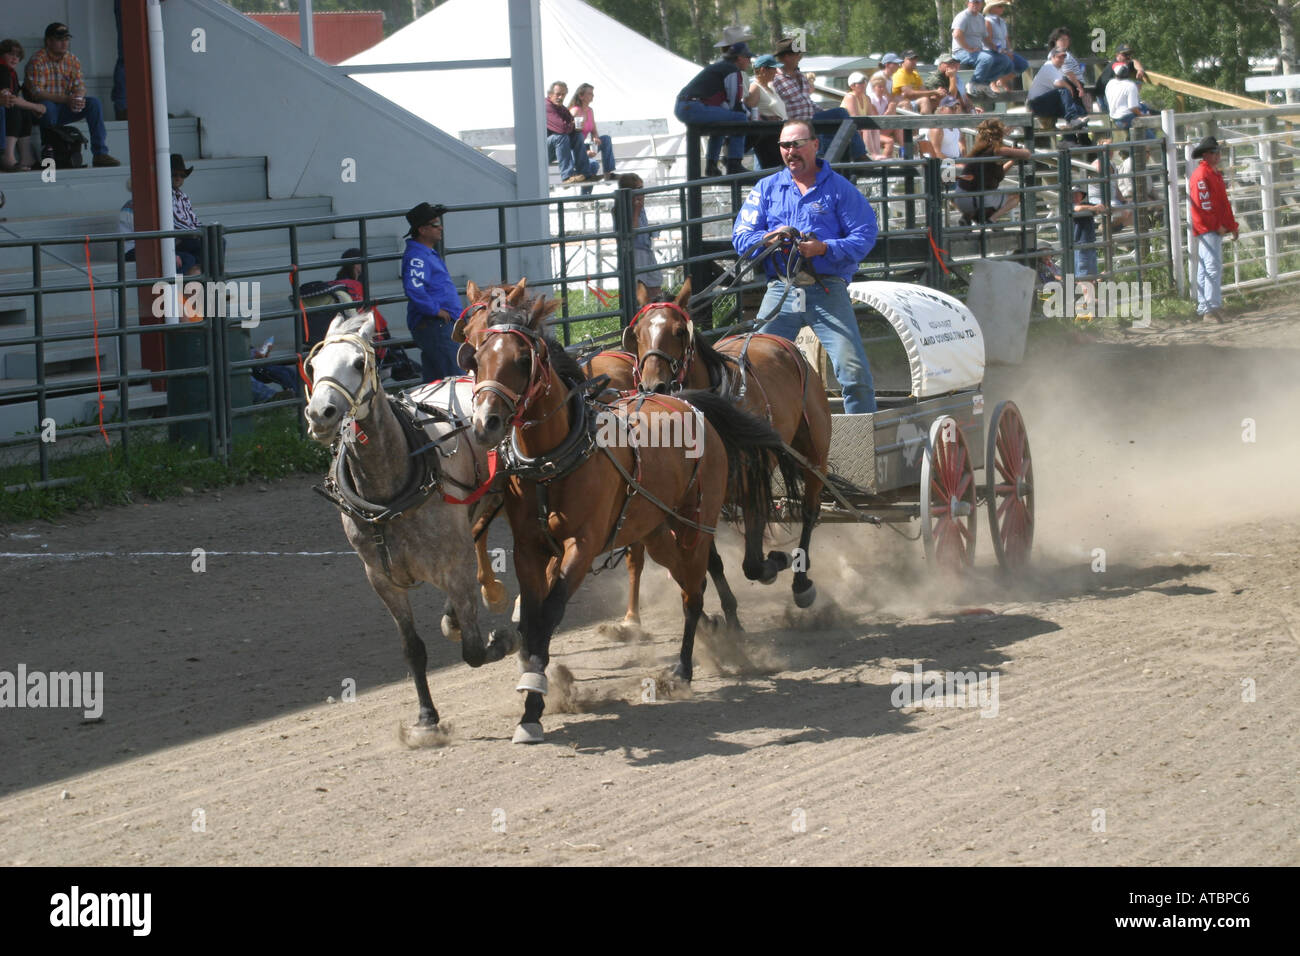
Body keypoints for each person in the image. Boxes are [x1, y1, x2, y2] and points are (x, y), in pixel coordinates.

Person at [732, 119, 879, 414]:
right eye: (785, 145)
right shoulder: (767, 189)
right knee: (748, 365)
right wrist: (768, 237)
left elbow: (865, 235)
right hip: (781, 289)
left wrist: (824, 248)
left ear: (815, 145)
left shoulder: (839, 189)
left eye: (797, 144)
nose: (791, 151)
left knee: (852, 370)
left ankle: (863, 442)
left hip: (827, 289)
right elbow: (740, 237)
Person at [24, 22, 121, 167]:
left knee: (93, 103)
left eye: (67, 39)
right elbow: (37, 93)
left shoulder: (72, 59)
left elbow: (80, 86)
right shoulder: (37, 60)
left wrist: (78, 98)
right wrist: (67, 99)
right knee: (47, 106)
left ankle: (100, 153)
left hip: (64, 107)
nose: (64, 43)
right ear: (48, 41)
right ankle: (50, 151)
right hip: (39, 110)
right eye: (59, 39)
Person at [771, 36, 868, 165]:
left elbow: (808, 103)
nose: (800, 57)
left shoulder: (800, 76)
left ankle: (858, 155)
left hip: (811, 119)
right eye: (797, 54)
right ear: (787, 56)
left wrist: (824, 113)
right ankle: (845, 158)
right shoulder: (776, 79)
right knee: (831, 127)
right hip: (793, 123)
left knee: (840, 113)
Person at [674, 25, 756, 177]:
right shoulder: (730, 70)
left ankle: (712, 166)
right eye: (747, 57)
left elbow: (725, 104)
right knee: (739, 118)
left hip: (687, 105)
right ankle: (734, 162)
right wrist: (749, 114)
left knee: (723, 121)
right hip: (692, 106)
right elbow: (734, 105)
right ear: (739, 57)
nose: (749, 61)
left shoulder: (721, 67)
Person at [401, 202, 464, 381]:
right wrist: (436, 311)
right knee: (457, 380)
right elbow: (414, 289)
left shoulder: (423, 254)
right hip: (435, 325)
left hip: (436, 325)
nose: (440, 227)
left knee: (435, 381)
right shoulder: (418, 256)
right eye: (435, 224)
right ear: (422, 230)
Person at [1187, 137, 1239, 323]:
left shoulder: (1210, 174)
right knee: (1211, 266)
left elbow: (1218, 204)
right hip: (1210, 227)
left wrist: (1230, 225)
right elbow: (1205, 205)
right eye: (1214, 152)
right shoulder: (1204, 175)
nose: (1218, 155)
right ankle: (1210, 308)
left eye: (1218, 152)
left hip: (1211, 226)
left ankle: (1206, 307)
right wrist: (1220, 225)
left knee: (1207, 266)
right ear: (1206, 154)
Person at [953, 117, 1031, 224]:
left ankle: (968, 216)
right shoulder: (997, 150)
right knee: (1017, 196)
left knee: (986, 194)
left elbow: (995, 175)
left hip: (960, 198)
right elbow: (1027, 154)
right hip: (976, 199)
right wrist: (1014, 151)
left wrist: (1012, 161)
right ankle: (992, 219)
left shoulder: (978, 150)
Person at [119, 177, 198, 274]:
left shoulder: (147, 205)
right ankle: (175, 287)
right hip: (133, 250)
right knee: (187, 259)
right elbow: (147, 240)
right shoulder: (133, 208)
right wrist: (170, 253)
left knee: (196, 246)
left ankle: (200, 281)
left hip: (150, 246)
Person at [615, 174, 663, 301]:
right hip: (634, 253)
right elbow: (631, 231)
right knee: (639, 292)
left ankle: (657, 313)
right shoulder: (621, 208)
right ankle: (639, 318)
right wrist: (636, 210)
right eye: (639, 188)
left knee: (656, 288)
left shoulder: (640, 207)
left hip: (646, 250)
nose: (643, 192)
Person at [951, 0, 1010, 96]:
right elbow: (957, 35)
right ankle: (972, 84)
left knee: (1004, 60)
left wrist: (997, 49)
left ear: (982, 4)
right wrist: (968, 48)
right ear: (968, 3)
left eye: (978, 2)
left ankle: (985, 84)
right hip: (961, 52)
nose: (976, 4)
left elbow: (986, 38)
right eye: (973, 2)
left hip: (976, 52)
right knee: (986, 58)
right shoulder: (962, 16)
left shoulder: (981, 18)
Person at [545, 81, 598, 184]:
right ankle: (567, 177)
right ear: (550, 94)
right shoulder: (547, 106)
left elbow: (570, 124)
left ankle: (585, 173)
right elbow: (561, 128)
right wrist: (573, 125)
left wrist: (576, 127)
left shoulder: (561, 107)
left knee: (578, 135)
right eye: (558, 94)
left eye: (563, 94)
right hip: (540, 152)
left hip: (556, 148)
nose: (560, 97)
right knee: (560, 137)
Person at [1, 39, 42, 171]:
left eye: (18, 56)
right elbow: (9, 98)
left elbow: (16, 95)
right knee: (14, 109)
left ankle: (26, 157)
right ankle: (8, 156)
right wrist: (36, 106)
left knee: (24, 111)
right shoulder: (2, 70)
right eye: (11, 54)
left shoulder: (11, 72)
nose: (15, 58)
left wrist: (30, 107)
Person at [1027, 48, 1088, 129]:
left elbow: (1068, 77)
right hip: (1036, 105)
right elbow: (1058, 83)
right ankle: (1072, 119)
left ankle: (1074, 132)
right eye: (1059, 57)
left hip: (1045, 104)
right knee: (1063, 91)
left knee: (1078, 109)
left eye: (1063, 57)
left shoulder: (1057, 69)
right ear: (1052, 57)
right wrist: (1069, 87)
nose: (1062, 60)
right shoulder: (1049, 66)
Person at [569, 83, 617, 182]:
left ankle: (608, 174)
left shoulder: (590, 111)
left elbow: (594, 131)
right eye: (590, 93)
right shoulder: (575, 111)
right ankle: (586, 196)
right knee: (592, 165)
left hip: (583, 146)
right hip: (573, 149)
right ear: (581, 96)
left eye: (592, 93)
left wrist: (596, 138)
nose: (593, 95)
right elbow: (568, 137)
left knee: (606, 139)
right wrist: (585, 152)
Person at [749, 54, 787, 169]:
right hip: (768, 138)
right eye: (773, 69)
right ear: (763, 70)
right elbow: (749, 110)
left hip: (779, 134)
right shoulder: (755, 88)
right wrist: (765, 118)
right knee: (771, 170)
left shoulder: (770, 87)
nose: (776, 72)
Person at [983, 2, 1027, 93]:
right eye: (1000, 6)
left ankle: (1003, 80)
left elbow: (1006, 39)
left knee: (1023, 64)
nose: (1003, 8)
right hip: (991, 51)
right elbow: (988, 41)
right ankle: (992, 83)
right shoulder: (987, 21)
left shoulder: (1002, 21)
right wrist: (1003, 52)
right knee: (1003, 60)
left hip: (1003, 51)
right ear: (992, 8)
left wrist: (1009, 50)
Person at [1095, 43, 1147, 112]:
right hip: (1104, 97)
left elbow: (1134, 61)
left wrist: (1140, 70)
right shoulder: (1117, 67)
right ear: (1117, 55)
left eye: (1129, 54)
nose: (1128, 57)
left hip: (1114, 96)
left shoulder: (1126, 63)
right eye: (1125, 54)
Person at [1105, 64, 1153, 135]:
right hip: (1126, 118)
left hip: (1114, 117)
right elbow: (1133, 108)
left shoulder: (1110, 83)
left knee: (1144, 108)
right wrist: (1144, 116)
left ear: (1115, 74)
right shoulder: (1130, 85)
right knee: (1151, 138)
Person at [1071, 184, 1105, 279]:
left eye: (1078, 194)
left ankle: (1091, 289)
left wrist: (1097, 208)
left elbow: (1101, 207)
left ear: (1082, 196)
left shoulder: (1087, 205)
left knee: (1090, 273)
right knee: (1083, 273)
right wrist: (1095, 208)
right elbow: (1078, 209)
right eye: (1074, 194)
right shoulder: (1070, 206)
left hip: (1089, 242)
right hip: (1080, 244)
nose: (1076, 196)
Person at [864, 73, 898, 158]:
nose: (882, 89)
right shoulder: (870, 100)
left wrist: (891, 107)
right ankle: (882, 164)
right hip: (873, 131)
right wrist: (889, 112)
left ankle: (906, 149)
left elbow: (892, 102)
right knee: (890, 141)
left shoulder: (885, 99)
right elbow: (877, 121)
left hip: (882, 129)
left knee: (899, 128)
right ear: (873, 88)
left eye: (884, 86)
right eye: (879, 87)